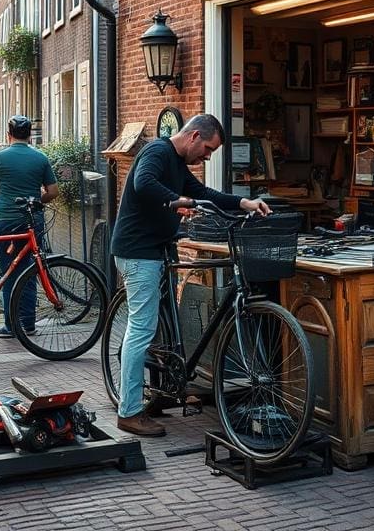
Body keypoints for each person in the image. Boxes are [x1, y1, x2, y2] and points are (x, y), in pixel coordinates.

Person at [110, 113, 270, 437]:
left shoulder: (179, 166)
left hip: (159, 248)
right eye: (208, 149)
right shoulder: (157, 152)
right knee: (141, 329)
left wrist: (244, 203)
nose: (208, 156)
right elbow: (143, 183)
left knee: (159, 325)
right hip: (138, 251)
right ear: (195, 136)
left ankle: (156, 392)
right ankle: (128, 411)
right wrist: (176, 200)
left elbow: (205, 193)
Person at [0, 116, 59, 338]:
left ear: (9, 134)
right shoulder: (40, 158)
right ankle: (28, 324)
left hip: (6, 221)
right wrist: (36, 201)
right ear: (30, 135)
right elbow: (53, 192)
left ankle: (11, 326)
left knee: (9, 272)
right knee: (31, 271)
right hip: (32, 222)